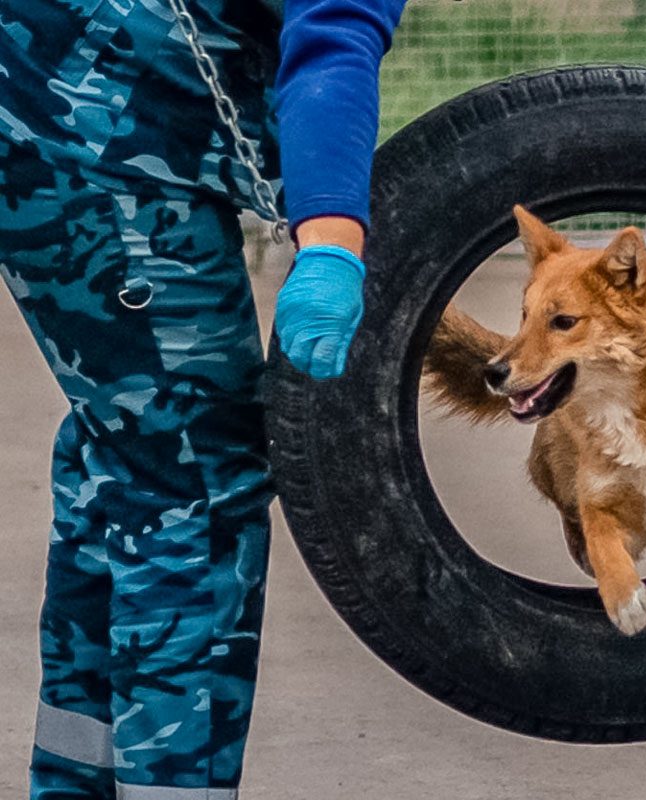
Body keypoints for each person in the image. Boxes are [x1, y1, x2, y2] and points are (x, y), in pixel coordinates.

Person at [0, 0, 405, 796]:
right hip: (90, 121)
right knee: (192, 481)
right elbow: (332, 35)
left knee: (127, 458)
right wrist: (331, 244)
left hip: (54, 94)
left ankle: (80, 782)